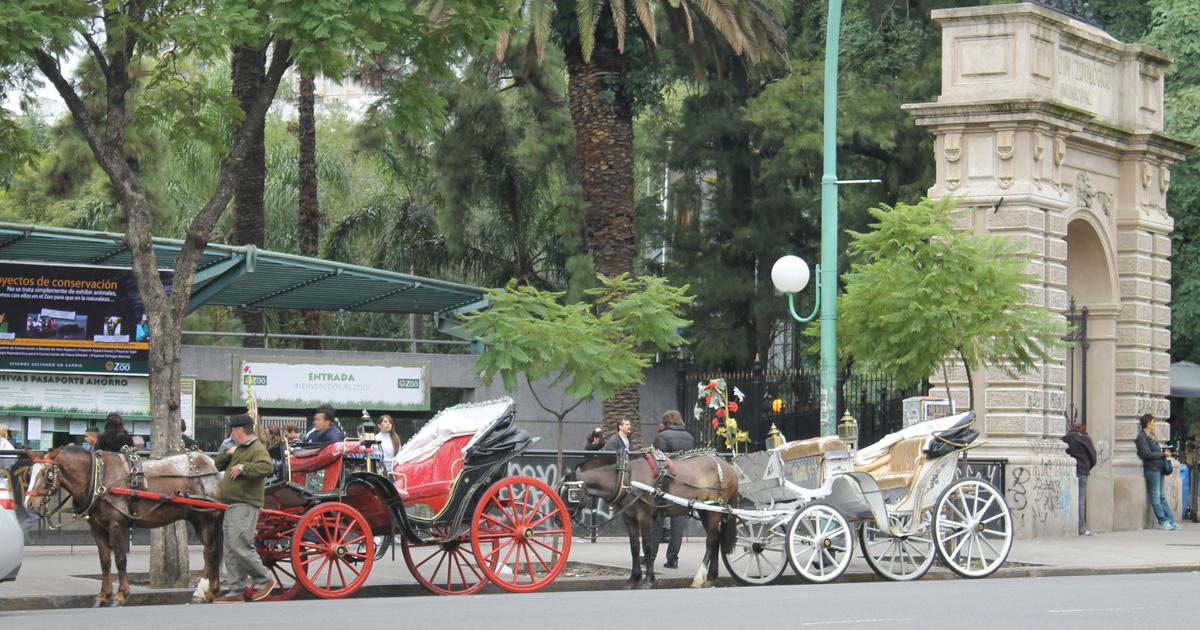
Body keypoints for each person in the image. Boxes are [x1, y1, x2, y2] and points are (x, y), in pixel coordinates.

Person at [213, 414, 277, 602]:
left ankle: (264, 579)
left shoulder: (256, 448)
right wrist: (228, 453)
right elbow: (218, 465)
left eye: (232, 429)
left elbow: (266, 467)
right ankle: (236, 590)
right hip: (233, 504)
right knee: (231, 548)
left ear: (239, 430)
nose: (231, 433)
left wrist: (243, 468)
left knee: (239, 543)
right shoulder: (239, 448)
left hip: (245, 503)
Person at [651, 410, 695, 569]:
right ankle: (673, 559)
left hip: (667, 483)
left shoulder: (662, 437)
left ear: (665, 421)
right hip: (684, 483)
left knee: (656, 519)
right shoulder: (689, 437)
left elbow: (658, 460)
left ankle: (650, 556)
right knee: (678, 523)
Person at [1136, 413, 1179, 531]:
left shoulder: (1151, 437)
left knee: (1162, 496)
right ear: (1147, 423)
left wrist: (1163, 452)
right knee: (1155, 496)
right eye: (1152, 422)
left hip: (1158, 468)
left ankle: (1171, 520)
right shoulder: (1142, 437)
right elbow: (1146, 454)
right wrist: (1162, 454)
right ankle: (1163, 521)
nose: (1154, 424)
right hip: (1152, 469)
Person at [1061, 421, 1097, 536]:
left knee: (1067, 498)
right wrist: (1088, 466)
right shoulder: (1084, 438)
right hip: (1082, 470)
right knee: (1081, 499)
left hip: (1068, 470)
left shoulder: (1065, 438)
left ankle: (1066, 526)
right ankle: (1081, 528)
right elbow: (1093, 455)